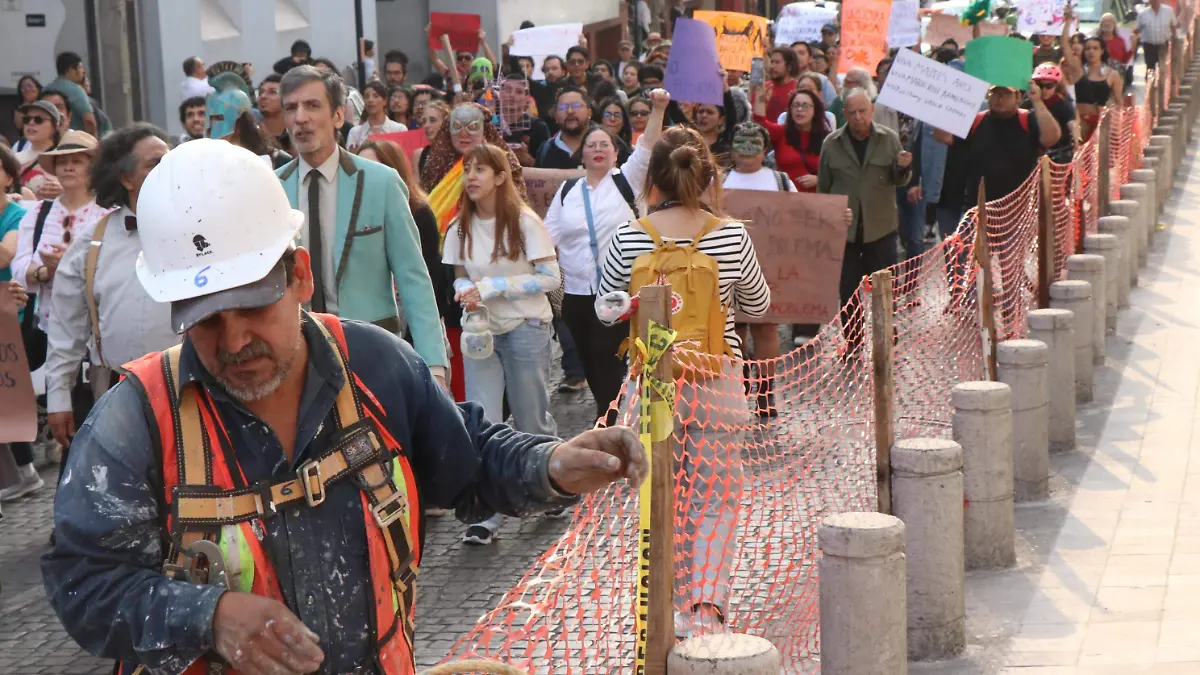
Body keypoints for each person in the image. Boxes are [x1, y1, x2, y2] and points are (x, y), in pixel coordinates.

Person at [41, 138, 647, 674]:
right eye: (205, 321)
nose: (233, 343)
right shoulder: (138, 419)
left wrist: (550, 464)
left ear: (300, 276)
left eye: (253, 307)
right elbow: (84, 583)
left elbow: (465, 457)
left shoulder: (373, 365)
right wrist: (207, 614)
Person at [597, 124, 768, 637]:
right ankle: (707, 609)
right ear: (706, 175)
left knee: (661, 495)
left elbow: (604, 308)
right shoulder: (731, 235)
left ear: (653, 178)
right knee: (715, 497)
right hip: (715, 380)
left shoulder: (630, 235)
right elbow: (759, 305)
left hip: (653, 382)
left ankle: (667, 603)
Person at [276, 65, 448, 386]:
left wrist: (434, 365)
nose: (300, 117)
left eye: (312, 106)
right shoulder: (271, 189)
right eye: (291, 108)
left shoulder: (381, 182)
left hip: (371, 355)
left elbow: (413, 276)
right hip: (296, 360)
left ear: (339, 116)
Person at [443, 144, 562, 545]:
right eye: (467, 169)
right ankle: (486, 513)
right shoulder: (457, 227)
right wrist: (466, 291)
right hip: (481, 332)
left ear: (499, 177)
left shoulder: (525, 222)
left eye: (481, 169)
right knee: (485, 420)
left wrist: (491, 287)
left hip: (526, 326)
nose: (472, 176)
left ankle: (550, 487)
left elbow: (550, 278)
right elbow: (459, 276)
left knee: (531, 417)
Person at [42, 122, 177, 454]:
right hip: (121, 394)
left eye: (170, 161)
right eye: (154, 164)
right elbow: (65, 329)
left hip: (192, 388)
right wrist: (58, 398)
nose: (167, 171)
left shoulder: (200, 228)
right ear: (126, 178)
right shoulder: (91, 243)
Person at [545, 89, 669, 422]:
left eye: (605, 145)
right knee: (587, 357)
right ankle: (609, 414)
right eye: (591, 145)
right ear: (581, 155)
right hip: (577, 293)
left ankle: (609, 419)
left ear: (616, 153)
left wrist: (658, 108)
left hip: (620, 291)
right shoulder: (568, 191)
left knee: (606, 354)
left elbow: (647, 146)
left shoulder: (627, 181)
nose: (598, 150)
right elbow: (546, 237)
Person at [2, 131, 108, 501]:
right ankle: (71, 504)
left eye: (78, 160)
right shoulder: (41, 211)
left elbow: (109, 270)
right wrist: (45, 272)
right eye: (63, 161)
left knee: (92, 414)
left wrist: (67, 267)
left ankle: (83, 501)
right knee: (66, 414)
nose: (69, 167)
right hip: (50, 327)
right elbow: (19, 268)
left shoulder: (106, 214)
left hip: (97, 335)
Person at [357, 139, 460, 402]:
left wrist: (422, 344)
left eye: (374, 166)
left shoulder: (418, 212)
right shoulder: (353, 217)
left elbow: (426, 280)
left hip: (413, 328)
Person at [818, 89, 912, 355]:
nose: (857, 117)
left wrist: (904, 168)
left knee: (885, 285)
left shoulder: (888, 139)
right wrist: (829, 216)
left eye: (862, 111)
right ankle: (853, 340)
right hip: (845, 231)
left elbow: (898, 180)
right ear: (844, 114)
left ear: (871, 110)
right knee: (848, 288)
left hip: (880, 226)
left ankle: (886, 332)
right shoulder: (832, 144)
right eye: (851, 112)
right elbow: (824, 188)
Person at [724, 122, 795, 416]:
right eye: (741, 142)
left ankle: (766, 391)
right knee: (734, 328)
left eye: (754, 143)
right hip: (729, 262)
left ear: (765, 148)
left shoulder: (779, 180)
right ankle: (739, 388)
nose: (748, 150)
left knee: (766, 327)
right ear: (731, 147)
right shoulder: (719, 180)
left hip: (769, 264)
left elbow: (801, 218)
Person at [753, 87, 828, 192]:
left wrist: (819, 180)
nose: (800, 109)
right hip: (785, 199)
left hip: (815, 200)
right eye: (796, 105)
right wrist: (761, 99)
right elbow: (759, 124)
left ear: (815, 110)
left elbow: (839, 174)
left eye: (805, 105)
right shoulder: (781, 132)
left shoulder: (827, 138)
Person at [1025, 63, 1078, 162]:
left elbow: (1072, 122)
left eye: (1049, 86)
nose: (1044, 90)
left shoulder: (1062, 103)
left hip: (1060, 151)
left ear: (1056, 86)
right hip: (1037, 152)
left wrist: (1076, 138)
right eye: (1040, 86)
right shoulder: (1029, 102)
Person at [1074, 37, 1124, 140]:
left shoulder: (1112, 74)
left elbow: (1118, 102)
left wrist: (1118, 124)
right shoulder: (1077, 72)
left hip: (1100, 122)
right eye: (1087, 48)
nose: (1091, 51)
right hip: (1078, 121)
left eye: (1095, 48)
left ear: (1102, 51)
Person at [499, 73, 550, 166]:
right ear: (499, 93)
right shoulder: (489, 124)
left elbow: (546, 168)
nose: (512, 95)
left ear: (527, 98)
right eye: (507, 90)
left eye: (518, 92)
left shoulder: (538, 127)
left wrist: (526, 158)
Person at [12, 100, 62, 198]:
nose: (31, 123)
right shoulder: (13, 159)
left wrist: (65, 191)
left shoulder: (65, 157)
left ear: (55, 127)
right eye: (26, 119)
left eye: (38, 120)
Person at [537, 86, 594, 169]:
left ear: (589, 113)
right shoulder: (545, 150)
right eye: (562, 107)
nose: (570, 111)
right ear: (555, 116)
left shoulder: (607, 144)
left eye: (576, 105)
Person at [346, 80, 407, 151]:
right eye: (366, 96)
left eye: (375, 96)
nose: (370, 100)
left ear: (385, 101)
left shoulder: (399, 129)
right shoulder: (355, 132)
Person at [46, 52, 97, 136]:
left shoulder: (46, 89)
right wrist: (92, 142)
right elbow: (89, 121)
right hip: (74, 141)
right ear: (71, 70)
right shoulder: (75, 90)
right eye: (80, 67)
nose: (83, 71)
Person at [1135, 0, 1176, 73]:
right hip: (1149, 45)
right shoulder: (1143, 13)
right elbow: (1137, 29)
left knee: (1163, 68)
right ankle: (1151, 82)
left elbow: (1173, 25)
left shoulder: (1168, 11)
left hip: (1163, 45)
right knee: (1150, 68)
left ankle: (1162, 83)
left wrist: (1173, 41)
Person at [1098, 12, 1135, 89]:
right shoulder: (1096, 41)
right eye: (1105, 21)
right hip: (1100, 77)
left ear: (1114, 25)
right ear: (1101, 25)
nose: (1107, 23)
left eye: (1110, 21)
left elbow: (1124, 60)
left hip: (1118, 76)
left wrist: (1133, 46)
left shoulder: (1120, 41)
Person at [765, 47, 800, 121]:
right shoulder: (764, 88)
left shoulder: (798, 89)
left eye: (777, 62)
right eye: (772, 62)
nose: (772, 66)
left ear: (789, 66)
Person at [258, 73, 291, 153]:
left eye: (272, 92)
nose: (263, 96)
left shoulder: (295, 136)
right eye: (261, 92)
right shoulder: (251, 134)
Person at [413, 99, 449, 170]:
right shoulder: (418, 155)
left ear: (446, 123)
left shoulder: (458, 153)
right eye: (424, 121)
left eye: (432, 120)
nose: (426, 125)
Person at [12, 75, 42, 140]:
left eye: (30, 85)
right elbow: (20, 127)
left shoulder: (45, 105)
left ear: (37, 89)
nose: (27, 89)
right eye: (23, 87)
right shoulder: (18, 109)